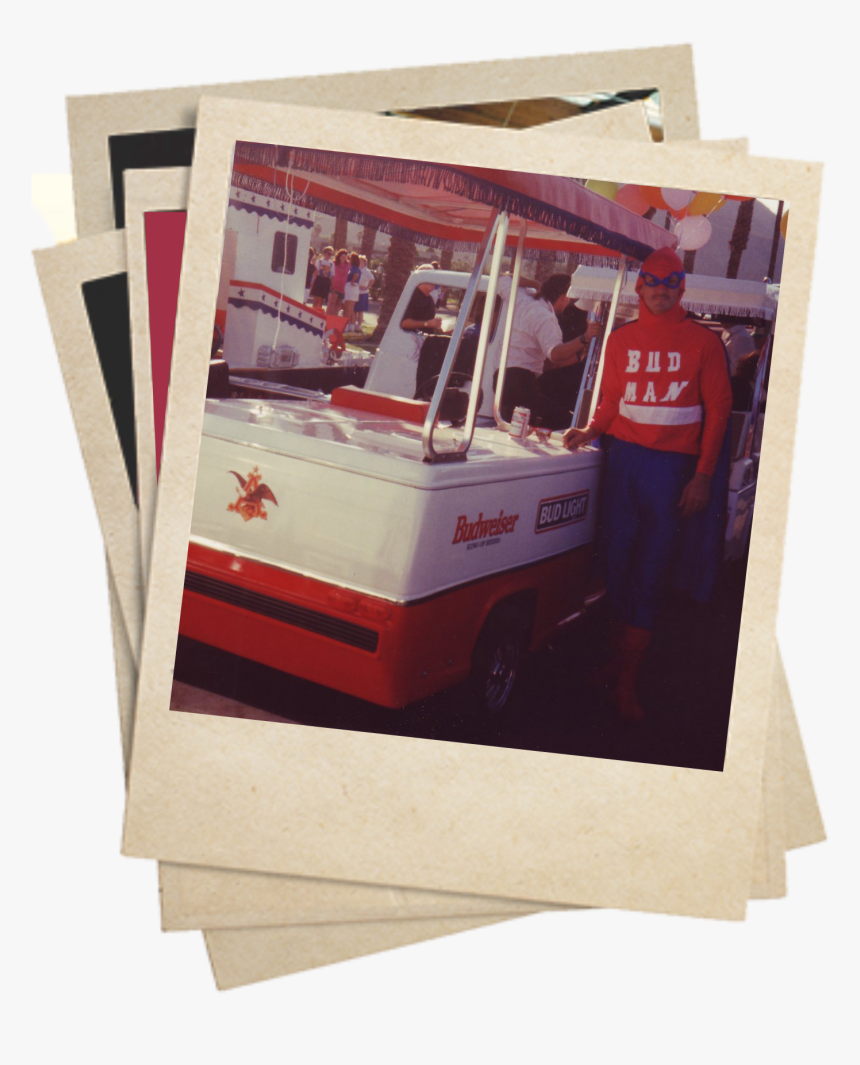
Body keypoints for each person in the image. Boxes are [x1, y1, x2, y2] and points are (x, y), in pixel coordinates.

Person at [562, 247, 732, 723]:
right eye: (653, 283)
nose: (661, 291)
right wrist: (592, 430)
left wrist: (702, 474)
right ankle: (618, 661)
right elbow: (612, 397)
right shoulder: (620, 339)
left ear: (683, 287)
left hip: (671, 470)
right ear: (640, 287)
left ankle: (629, 680)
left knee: (652, 568)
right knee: (617, 562)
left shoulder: (704, 342)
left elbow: (718, 409)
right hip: (625, 461)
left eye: (670, 282)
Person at [492, 272, 599, 423]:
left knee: (516, 427)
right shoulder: (546, 318)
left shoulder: (521, 299)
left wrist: (536, 284)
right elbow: (555, 354)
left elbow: (503, 277)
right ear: (563, 297)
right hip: (520, 381)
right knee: (565, 422)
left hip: (500, 378)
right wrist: (585, 338)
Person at [400, 264, 444, 332]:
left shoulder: (430, 299)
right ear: (421, 278)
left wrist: (437, 325)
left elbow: (429, 324)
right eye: (431, 277)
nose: (434, 281)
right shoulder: (412, 296)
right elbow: (404, 323)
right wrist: (427, 324)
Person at [342, 253, 362, 331]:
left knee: (347, 308)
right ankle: (351, 326)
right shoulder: (358, 269)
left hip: (350, 287)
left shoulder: (353, 268)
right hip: (355, 288)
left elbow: (356, 275)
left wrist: (352, 281)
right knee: (351, 308)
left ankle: (346, 326)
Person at [327, 249, 350, 315]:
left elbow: (345, 271)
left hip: (342, 287)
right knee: (331, 303)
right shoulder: (334, 263)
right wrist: (331, 285)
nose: (344, 258)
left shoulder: (347, 264)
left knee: (338, 305)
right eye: (342, 256)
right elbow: (333, 273)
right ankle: (327, 318)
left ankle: (334, 319)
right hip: (334, 286)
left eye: (345, 256)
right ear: (339, 256)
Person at [355, 255, 375, 330]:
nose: (359, 262)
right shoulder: (357, 269)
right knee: (354, 310)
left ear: (364, 262)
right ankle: (353, 324)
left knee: (360, 310)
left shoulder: (366, 271)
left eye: (361, 261)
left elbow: (372, 279)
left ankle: (359, 325)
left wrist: (367, 287)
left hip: (363, 293)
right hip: (355, 292)